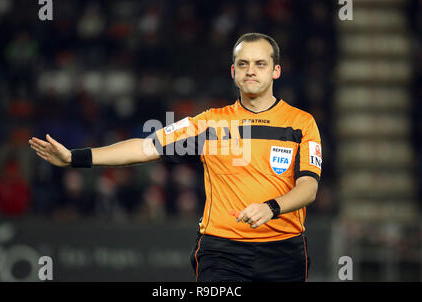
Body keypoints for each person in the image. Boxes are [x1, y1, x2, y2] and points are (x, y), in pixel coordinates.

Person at [28, 33, 322, 282]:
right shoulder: (209, 124)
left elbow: (308, 188)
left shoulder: (301, 123)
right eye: (242, 64)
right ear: (233, 72)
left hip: (284, 251)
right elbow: (145, 148)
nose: (251, 71)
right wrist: (75, 158)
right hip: (222, 252)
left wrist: (271, 207)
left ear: (276, 71)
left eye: (260, 64)